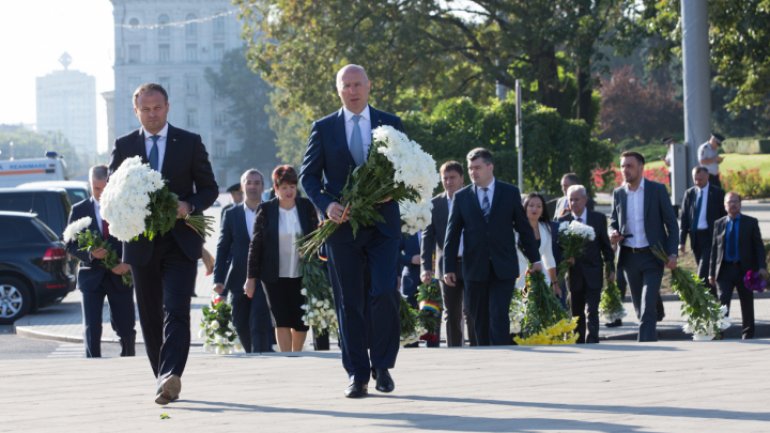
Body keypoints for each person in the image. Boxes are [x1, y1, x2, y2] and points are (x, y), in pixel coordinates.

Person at [109, 83, 218, 405]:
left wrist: (190, 206)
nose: (152, 114)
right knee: (150, 315)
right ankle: (162, 377)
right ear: (136, 111)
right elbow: (113, 195)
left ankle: (172, 373)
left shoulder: (189, 142)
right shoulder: (124, 145)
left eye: (157, 108)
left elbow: (209, 189)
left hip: (181, 242)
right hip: (142, 245)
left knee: (177, 308)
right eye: (146, 109)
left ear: (168, 107)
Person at [299, 64, 402, 398]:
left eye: (358, 84)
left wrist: (395, 189)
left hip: (383, 225)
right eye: (347, 85)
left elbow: (407, 169)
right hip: (342, 226)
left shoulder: (392, 123)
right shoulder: (324, 128)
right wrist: (326, 205)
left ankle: (382, 365)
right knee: (350, 301)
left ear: (369, 86)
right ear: (338, 89)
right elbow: (308, 176)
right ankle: (357, 374)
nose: (353, 90)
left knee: (384, 291)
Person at [443, 148, 542, 346]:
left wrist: (536, 259)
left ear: (490, 167)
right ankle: (484, 355)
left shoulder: (510, 192)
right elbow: (452, 234)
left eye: (477, 167)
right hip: (474, 267)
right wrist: (449, 268)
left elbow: (523, 228)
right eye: (470, 168)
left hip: (503, 265)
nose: (473, 172)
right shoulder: (462, 197)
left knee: (498, 314)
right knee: (478, 316)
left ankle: (501, 353)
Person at [66, 165, 136, 358]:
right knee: (92, 326)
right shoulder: (79, 210)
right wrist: (90, 254)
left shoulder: (125, 208)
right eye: (96, 189)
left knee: (125, 325)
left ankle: (128, 357)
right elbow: (70, 245)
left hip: (120, 274)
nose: (101, 193)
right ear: (90, 186)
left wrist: (128, 263)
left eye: (104, 188)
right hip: (91, 276)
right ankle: (93, 361)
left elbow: (137, 238)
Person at [246, 165, 318, 352]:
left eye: (292, 187)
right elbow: (255, 245)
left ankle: (297, 352)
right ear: (276, 188)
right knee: (281, 318)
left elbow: (316, 237)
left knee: (302, 320)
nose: (289, 191)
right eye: (284, 187)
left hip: (302, 273)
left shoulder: (305, 207)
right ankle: (288, 358)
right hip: (273, 275)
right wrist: (250, 279)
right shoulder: (266, 210)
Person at [610, 151, 679, 342]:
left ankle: (645, 343)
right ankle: (650, 338)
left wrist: (672, 252)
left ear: (641, 167)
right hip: (629, 256)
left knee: (648, 303)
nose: (625, 170)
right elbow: (613, 221)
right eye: (622, 166)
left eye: (629, 166)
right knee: (639, 306)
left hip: (652, 255)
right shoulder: (618, 193)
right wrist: (612, 233)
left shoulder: (656, 190)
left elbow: (672, 224)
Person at [213, 169, 274, 353]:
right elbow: (223, 247)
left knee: (258, 321)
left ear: (263, 187)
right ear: (242, 186)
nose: (253, 186)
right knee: (240, 321)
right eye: (249, 182)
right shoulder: (232, 214)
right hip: (238, 277)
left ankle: (260, 356)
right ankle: (252, 353)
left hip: (264, 277)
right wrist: (218, 279)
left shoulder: (271, 211)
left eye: (257, 183)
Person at [420, 161, 476, 347]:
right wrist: (426, 267)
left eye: (452, 178)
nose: (449, 182)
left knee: (471, 309)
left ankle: (479, 347)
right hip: (446, 265)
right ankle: (454, 348)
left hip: (471, 263)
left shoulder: (473, 198)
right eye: (445, 178)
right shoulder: (435, 204)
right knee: (451, 312)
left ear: (462, 179)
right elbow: (427, 238)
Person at [558, 185, 615, 344]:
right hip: (574, 274)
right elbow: (559, 248)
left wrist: (611, 268)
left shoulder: (597, 218)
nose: (574, 203)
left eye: (577, 199)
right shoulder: (563, 221)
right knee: (576, 311)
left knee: (592, 309)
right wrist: (566, 258)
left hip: (593, 272)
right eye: (570, 200)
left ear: (585, 199)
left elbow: (605, 246)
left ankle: (593, 338)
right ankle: (579, 339)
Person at [709, 192, 768, 339]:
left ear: (740, 204)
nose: (733, 204)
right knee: (722, 302)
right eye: (730, 202)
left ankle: (748, 333)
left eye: (735, 202)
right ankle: (719, 332)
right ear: (725, 205)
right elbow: (714, 250)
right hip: (724, 270)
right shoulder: (719, 224)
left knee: (747, 302)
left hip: (745, 270)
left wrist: (761, 267)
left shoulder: (751, 222)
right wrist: (711, 272)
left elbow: (758, 247)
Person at [679, 166, 726, 296]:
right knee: (707, 273)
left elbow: (724, 217)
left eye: (700, 179)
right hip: (695, 237)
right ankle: (715, 301)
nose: (697, 182)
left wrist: (723, 237)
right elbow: (684, 218)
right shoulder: (689, 193)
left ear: (707, 177)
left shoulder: (717, 193)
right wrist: (682, 241)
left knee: (702, 272)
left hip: (711, 237)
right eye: (695, 179)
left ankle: (702, 301)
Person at [516, 193, 563, 305]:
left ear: (542, 210)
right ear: (524, 207)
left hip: (539, 278)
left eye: (539, 206)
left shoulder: (546, 229)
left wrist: (555, 283)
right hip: (517, 278)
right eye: (531, 205)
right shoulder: (514, 228)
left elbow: (549, 258)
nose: (534, 209)